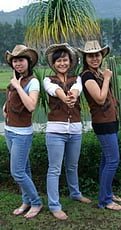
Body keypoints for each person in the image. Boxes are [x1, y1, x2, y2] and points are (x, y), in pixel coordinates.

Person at [44, 43, 92, 220]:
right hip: (55, 132)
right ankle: (54, 205)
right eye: (58, 61)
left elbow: (77, 89)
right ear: (53, 64)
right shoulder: (48, 79)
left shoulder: (77, 79)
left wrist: (72, 95)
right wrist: (65, 98)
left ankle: (75, 193)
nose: (62, 63)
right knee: (54, 169)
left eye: (65, 60)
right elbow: (53, 90)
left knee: (72, 165)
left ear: (70, 62)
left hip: (75, 130)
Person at [79, 40, 121, 211]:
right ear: (85, 57)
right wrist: (107, 78)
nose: (94, 58)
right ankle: (104, 200)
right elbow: (99, 98)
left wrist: (104, 77)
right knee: (113, 160)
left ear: (102, 55)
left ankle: (108, 193)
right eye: (90, 55)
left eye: (97, 54)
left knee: (107, 160)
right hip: (102, 123)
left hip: (111, 120)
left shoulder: (98, 73)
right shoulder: (87, 76)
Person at [3, 45, 43, 219]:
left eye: (21, 60)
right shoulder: (14, 80)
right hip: (9, 130)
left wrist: (18, 87)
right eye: (15, 60)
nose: (18, 63)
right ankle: (26, 200)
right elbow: (12, 101)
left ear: (28, 62)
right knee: (24, 169)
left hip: (22, 133)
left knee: (17, 171)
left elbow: (31, 105)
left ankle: (36, 202)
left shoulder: (32, 81)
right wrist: (5, 107)